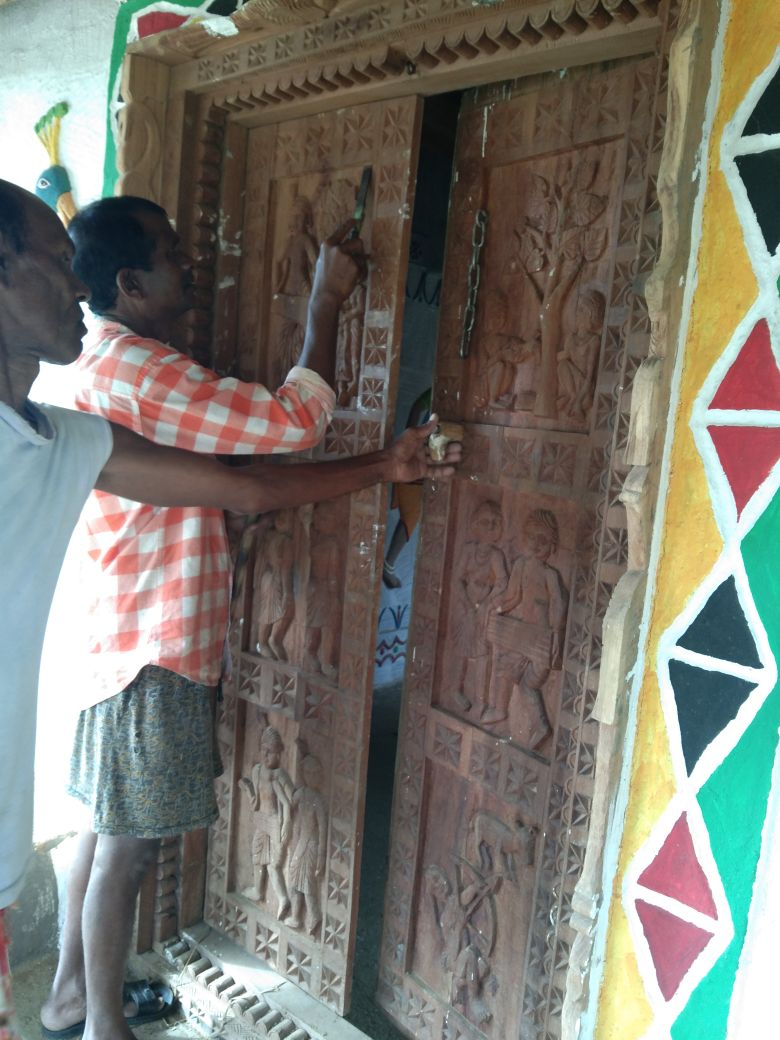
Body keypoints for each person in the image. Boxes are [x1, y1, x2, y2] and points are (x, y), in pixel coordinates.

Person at [0, 179, 460, 1040]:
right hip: (155, 643)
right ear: (130, 285)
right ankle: (102, 1026)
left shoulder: (80, 394)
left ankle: (69, 997)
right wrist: (324, 303)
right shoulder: (137, 367)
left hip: (114, 637)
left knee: (101, 829)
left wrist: (369, 472)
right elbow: (292, 424)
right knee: (128, 846)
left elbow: (231, 488)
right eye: (172, 255)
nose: (192, 266)